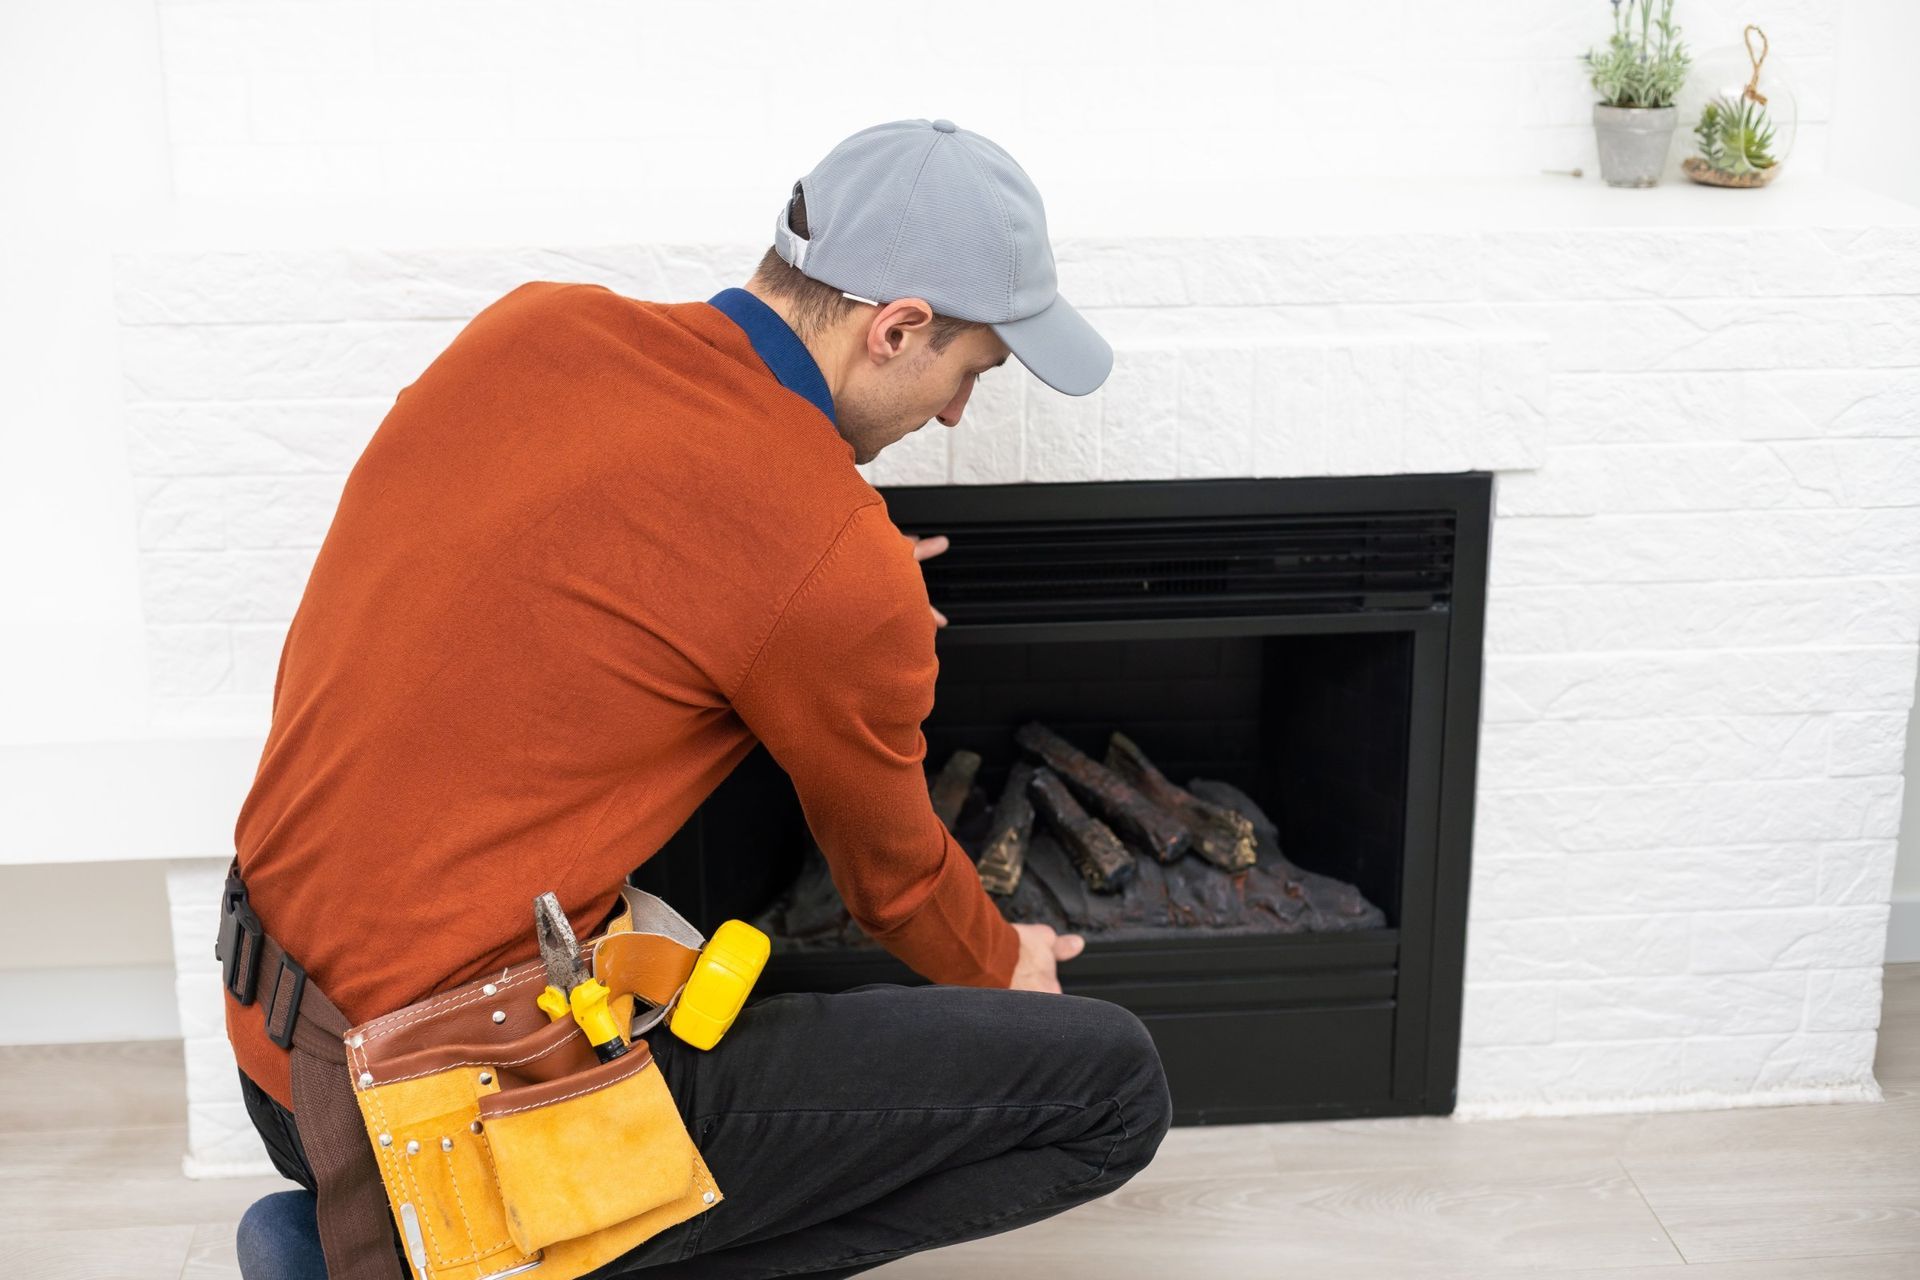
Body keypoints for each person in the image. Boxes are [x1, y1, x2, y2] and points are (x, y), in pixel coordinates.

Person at [228, 117, 1172, 1278]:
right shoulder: (825, 552)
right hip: (437, 1105)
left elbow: (535, 598)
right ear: (898, 329)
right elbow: (896, 883)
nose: (956, 412)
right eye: (971, 370)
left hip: (277, 1047)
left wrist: (833, 600)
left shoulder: (534, 325)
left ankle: (340, 1229)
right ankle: (421, 1255)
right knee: (1113, 1086)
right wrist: (1010, 963)